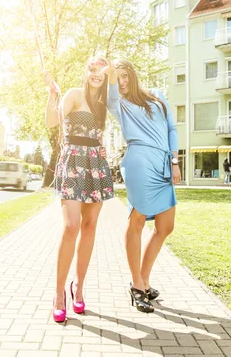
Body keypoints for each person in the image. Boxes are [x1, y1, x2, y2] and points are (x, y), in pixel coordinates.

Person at [106, 58, 181, 313]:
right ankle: (138, 285)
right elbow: (112, 95)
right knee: (137, 220)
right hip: (138, 161)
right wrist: (110, 75)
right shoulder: (119, 104)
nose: (123, 81)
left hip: (162, 161)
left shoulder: (157, 96)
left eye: (126, 75)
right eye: (118, 77)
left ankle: (144, 279)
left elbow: (171, 128)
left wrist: (175, 160)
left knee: (166, 225)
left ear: (133, 75)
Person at [44, 58, 114, 323]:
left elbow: (98, 135)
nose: (97, 74)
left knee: (90, 225)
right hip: (73, 161)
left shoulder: (103, 103)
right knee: (72, 225)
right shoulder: (74, 94)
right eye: (93, 69)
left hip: (96, 164)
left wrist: (103, 147)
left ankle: (79, 287)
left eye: (102, 71)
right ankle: (59, 292)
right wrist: (51, 94)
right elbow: (53, 121)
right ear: (86, 71)